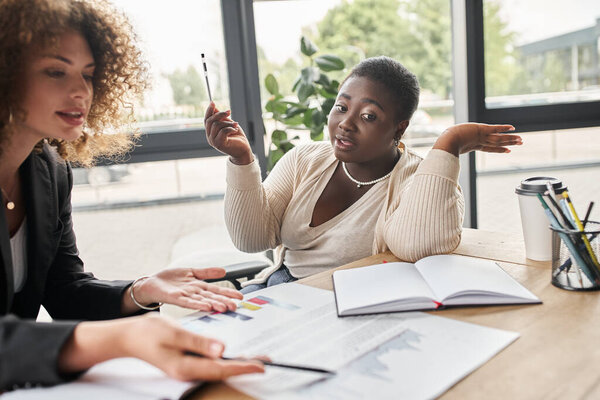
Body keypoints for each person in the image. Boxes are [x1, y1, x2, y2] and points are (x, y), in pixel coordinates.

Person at [0, 0, 263, 391]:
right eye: (56, 71)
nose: (80, 91)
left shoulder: (50, 172)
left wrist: (141, 290)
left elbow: (65, 292)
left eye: (88, 75)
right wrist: (122, 340)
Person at [205, 56, 522, 293]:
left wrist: (449, 143)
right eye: (342, 107)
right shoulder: (304, 159)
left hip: (353, 305)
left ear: (399, 128)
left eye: (369, 116)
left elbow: (420, 246)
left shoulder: (420, 180)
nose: (346, 123)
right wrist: (242, 160)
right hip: (280, 290)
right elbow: (252, 239)